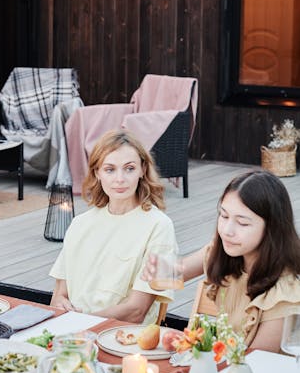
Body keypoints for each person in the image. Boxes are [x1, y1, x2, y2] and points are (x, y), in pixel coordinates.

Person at [145, 169, 300, 352]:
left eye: (242, 223)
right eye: (224, 216)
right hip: (221, 368)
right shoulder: (223, 253)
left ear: (272, 228)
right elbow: (172, 276)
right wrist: (154, 269)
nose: (227, 230)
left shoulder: (285, 293)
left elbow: (255, 363)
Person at [49, 129, 177, 324]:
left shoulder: (161, 226)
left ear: (143, 169)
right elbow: (59, 295)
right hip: (73, 335)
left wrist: (81, 323)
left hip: (125, 340)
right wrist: (60, 304)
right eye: (110, 169)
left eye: (129, 168)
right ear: (97, 173)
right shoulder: (79, 224)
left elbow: (138, 311)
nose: (120, 179)